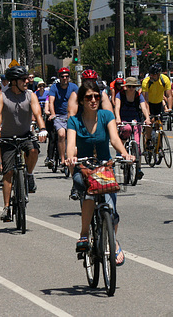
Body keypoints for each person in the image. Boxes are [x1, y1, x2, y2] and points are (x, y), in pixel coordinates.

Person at [65, 81, 134, 266]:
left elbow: (114, 139)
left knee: (111, 210)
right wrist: (71, 158)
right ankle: (84, 234)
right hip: (84, 168)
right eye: (89, 97)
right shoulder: (74, 120)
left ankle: (113, 242)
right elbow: (70, 146)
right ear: (81, 100)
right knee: (87, 192)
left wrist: (124, 153)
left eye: (96, 96)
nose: (93, 100)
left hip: (104, 167)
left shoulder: (106, 115)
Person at [0, 66, 48, 221]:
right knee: (7, 173)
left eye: (27, 78)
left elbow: (37, 113)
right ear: (13, 82)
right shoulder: (3, 96)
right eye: (23, 79)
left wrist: (42, 128)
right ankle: (7, 207)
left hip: (25, 134)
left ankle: (29, 175)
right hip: (7, 137)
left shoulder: (30, 95)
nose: (27, 81)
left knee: (34, 150)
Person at [114, 77, 150, 166]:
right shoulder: (120, 94)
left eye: (133, 87)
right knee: (127, 130)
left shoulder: (138, 95)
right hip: (124, 119)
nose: (131, 89)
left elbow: (144, 108)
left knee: (137, 145)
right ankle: (120, 152)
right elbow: (117, 107)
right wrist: (118, 118)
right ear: (126, 87)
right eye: (129, 86)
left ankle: (138, 168)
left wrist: (147, 118)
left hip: (135, 119)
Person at [48, 67, 78, 171]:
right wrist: (53, 114)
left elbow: (78, 101)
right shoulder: (54, 87)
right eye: (62, 76)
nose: (65, 78)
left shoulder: (74, 87)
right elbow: (51, 101)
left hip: (71, 115)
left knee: (73, 136)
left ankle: (72, 156)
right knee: (61, 134)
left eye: (66, 76)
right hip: (59, 115)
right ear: (59, 77)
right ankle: (62, 159)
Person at [141, 63, 172, 144]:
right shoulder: (146, 82)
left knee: (159, 124)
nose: (151, 76)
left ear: (159, 74)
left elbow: (169, 95)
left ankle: (159, 143)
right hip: (149, 103)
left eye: (153, 75)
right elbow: (145, 100)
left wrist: (169, 108)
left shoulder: (165, 80)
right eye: (150, 74)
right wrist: (147, 113)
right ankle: (148, 139)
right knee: (150, 121)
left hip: (159, 103)